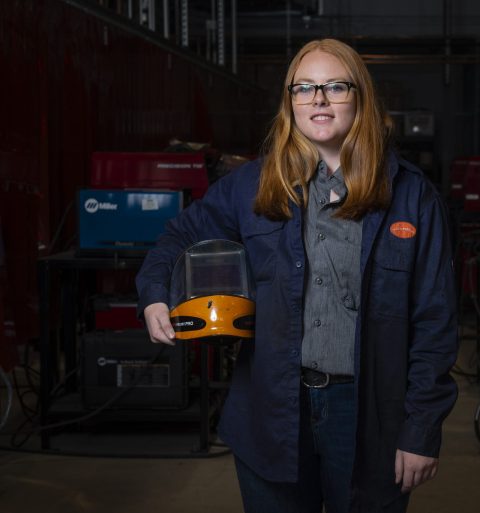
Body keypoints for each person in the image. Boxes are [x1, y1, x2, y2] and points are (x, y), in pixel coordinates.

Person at [136, 38, 458, 513]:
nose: (318, 99)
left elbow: (435, 322)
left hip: (369, 415)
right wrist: (155, 293)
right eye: (304, 87)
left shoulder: (412, 196)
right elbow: (177, 238)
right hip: (271, 407)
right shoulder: (252, 186)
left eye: (334, 86)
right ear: (289, 101)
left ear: (361, 97)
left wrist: (421, 429)